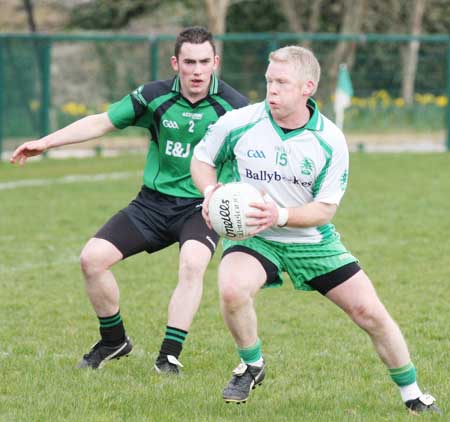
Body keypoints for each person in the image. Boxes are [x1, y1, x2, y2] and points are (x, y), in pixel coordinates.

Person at [190, 46, 440, 413]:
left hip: (310, 240)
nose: (272, 89)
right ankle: (252, 364)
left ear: (307, 87)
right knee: (231, 289)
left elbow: (325, 209)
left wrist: (280, 215)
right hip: (256, 238)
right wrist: (211, 193)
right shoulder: (240, 121)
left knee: (370, 313)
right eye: (269, 81)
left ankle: (413, 394)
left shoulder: (330, 140)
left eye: (282, 82)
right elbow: (202, 159)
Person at [10, 26, 247, 374]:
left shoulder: (235, 107)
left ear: (216, 62)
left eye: (204, 62)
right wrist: (46, 143)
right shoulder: (153, 96)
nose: (197, 71)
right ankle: (113, 341)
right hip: (152, 204)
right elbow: (102, 122)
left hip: (202, 206)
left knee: (193, 265)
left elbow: (258, 152)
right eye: (189, 62)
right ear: (175, 63)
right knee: (92, 259)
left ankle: (168, 355)